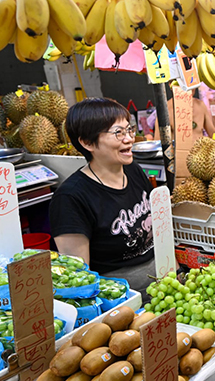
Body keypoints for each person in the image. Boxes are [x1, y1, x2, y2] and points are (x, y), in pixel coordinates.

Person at [50, 98, 155, 292]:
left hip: (161, 278)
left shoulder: (133, 169)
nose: (129, 139)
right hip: (122, 294)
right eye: (118, 133)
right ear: (87, 142)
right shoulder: (70, 198)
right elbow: (79, 275)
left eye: (129, 129)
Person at [146, 87, 215, 141]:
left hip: (200, 157)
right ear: (172, 85)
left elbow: (213, 133)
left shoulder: (201, 105)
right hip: (178, 158)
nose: (189, 87)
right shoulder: (165, 109)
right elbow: (159, 142)